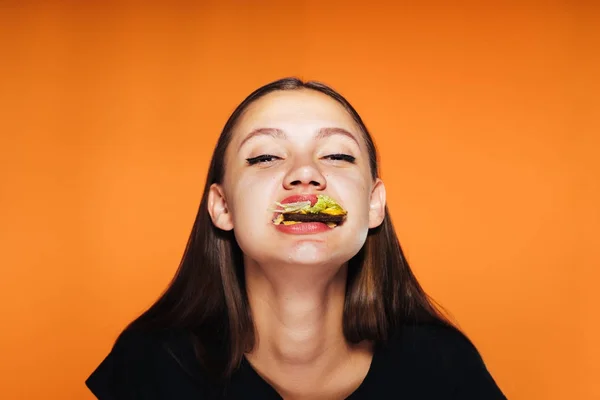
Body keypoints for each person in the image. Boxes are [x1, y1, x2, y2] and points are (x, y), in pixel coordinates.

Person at [86, 77, 506, 399]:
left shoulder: (446, 370)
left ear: (374, 204)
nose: (305, 174)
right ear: (222, 207)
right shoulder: (151, 366)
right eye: (266, 156)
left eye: (337, 155)